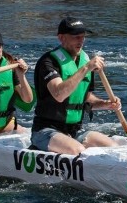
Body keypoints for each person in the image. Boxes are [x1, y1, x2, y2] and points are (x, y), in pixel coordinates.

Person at [31, 17, 122, 155]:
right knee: (78, 151)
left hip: (73, 131)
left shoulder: (84, 61)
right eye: (76, 37)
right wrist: (86, 68)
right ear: (61, 38)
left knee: (113, 148)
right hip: (45, 130)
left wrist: (105, 103)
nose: (81, 41)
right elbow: (59, 94)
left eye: (83, 37)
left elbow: (86, 98)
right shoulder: (48, 62)